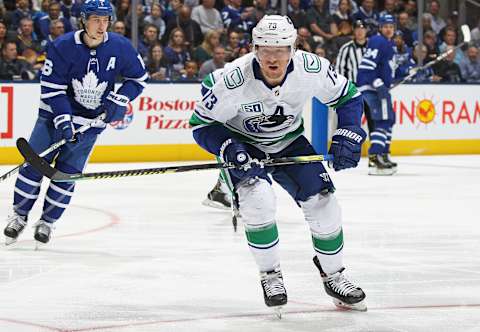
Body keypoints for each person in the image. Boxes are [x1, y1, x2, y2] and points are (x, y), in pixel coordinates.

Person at [189, 15, 367, 312]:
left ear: (293, 47)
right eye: (266, 49)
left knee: (324, 204)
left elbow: (348, 97)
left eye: (281, 49)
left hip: (289, 142)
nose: (273, 57)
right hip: (244, 145)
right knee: (258, 200)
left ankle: (334, 274)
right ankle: (270, 274)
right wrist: (229, 148)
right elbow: (201, 125)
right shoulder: (233, 79)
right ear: (254, 48)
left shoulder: (312, 68)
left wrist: (349, 131)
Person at [3, 0, 147, 245]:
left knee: (67, 175)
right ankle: (19, 216)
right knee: (34, 167)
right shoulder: (62, 46)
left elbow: (139, 78)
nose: (102, 26)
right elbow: (51, 87)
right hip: (52, 118)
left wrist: (120, 98)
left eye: (105, 20)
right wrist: (63, 120)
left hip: (90, 124)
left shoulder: (121, 47)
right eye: (96, 20)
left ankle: (47, 223)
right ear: (84, 20)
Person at [357, 14, 396, 175]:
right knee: (383, 120)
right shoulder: (378, 41)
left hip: (378, 88)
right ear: (380, 27)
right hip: (373, 88)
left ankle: (383, 154)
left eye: (391, 27)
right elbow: (367, 67)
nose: (389, 29)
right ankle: (375, 157)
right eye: (386, 26)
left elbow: (385, 69)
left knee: (389, 119)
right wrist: (378, 84)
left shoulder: (388, 44)